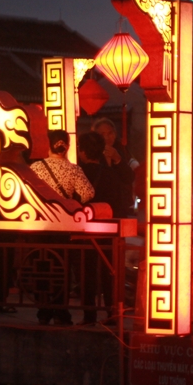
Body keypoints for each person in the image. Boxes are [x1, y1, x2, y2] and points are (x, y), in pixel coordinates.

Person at [30, 129, 95, 326]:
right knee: (61, 268)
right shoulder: (73, 169)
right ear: (67, 146)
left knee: (41, 267)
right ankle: (60, 311)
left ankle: (43, 311)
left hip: (40, 226)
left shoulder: (35, 168)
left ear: (48, 145)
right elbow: (88, 193)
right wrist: (71, 202)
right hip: (63, 227)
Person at [77, 132, 120, 323]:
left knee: (87, 272)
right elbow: (118, 200)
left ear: (83, 152)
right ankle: (112, 312)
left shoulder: (79, 172)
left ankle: (89, 314)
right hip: (108, 228)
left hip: (85, 229)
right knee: (109, 271)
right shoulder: (110, 173)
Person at [92, 118, 136, 216]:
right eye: (102, 134)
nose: (107, 137)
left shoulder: (120, 151)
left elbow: (129, 178)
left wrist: (118, 159)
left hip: (120, 207)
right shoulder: (92, 155)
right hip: (100, 206)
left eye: (110, 133)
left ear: (115, 134)